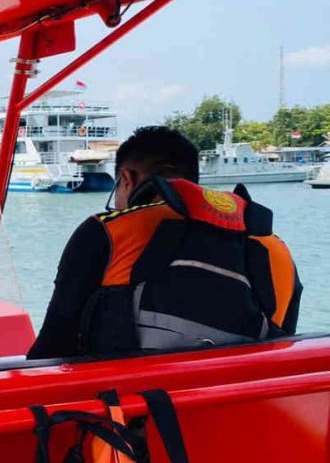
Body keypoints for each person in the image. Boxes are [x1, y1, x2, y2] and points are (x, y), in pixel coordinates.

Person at [28, 126, 302, 359]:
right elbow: (282, 346)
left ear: (126, 179)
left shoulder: (108, 231)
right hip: (246, 412)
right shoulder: (272, 247)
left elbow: (54, 345)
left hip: (129, 414)